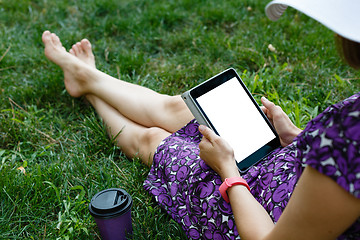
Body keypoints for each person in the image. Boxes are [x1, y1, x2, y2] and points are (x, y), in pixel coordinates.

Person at [42, 0, 360, 238]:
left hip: (256, 209)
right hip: (281, 161)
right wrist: (296, 136)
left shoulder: (351, 143)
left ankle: (89, 89)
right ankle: (89, 77)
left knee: (152, 139)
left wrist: (228, 171)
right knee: (180, 111)